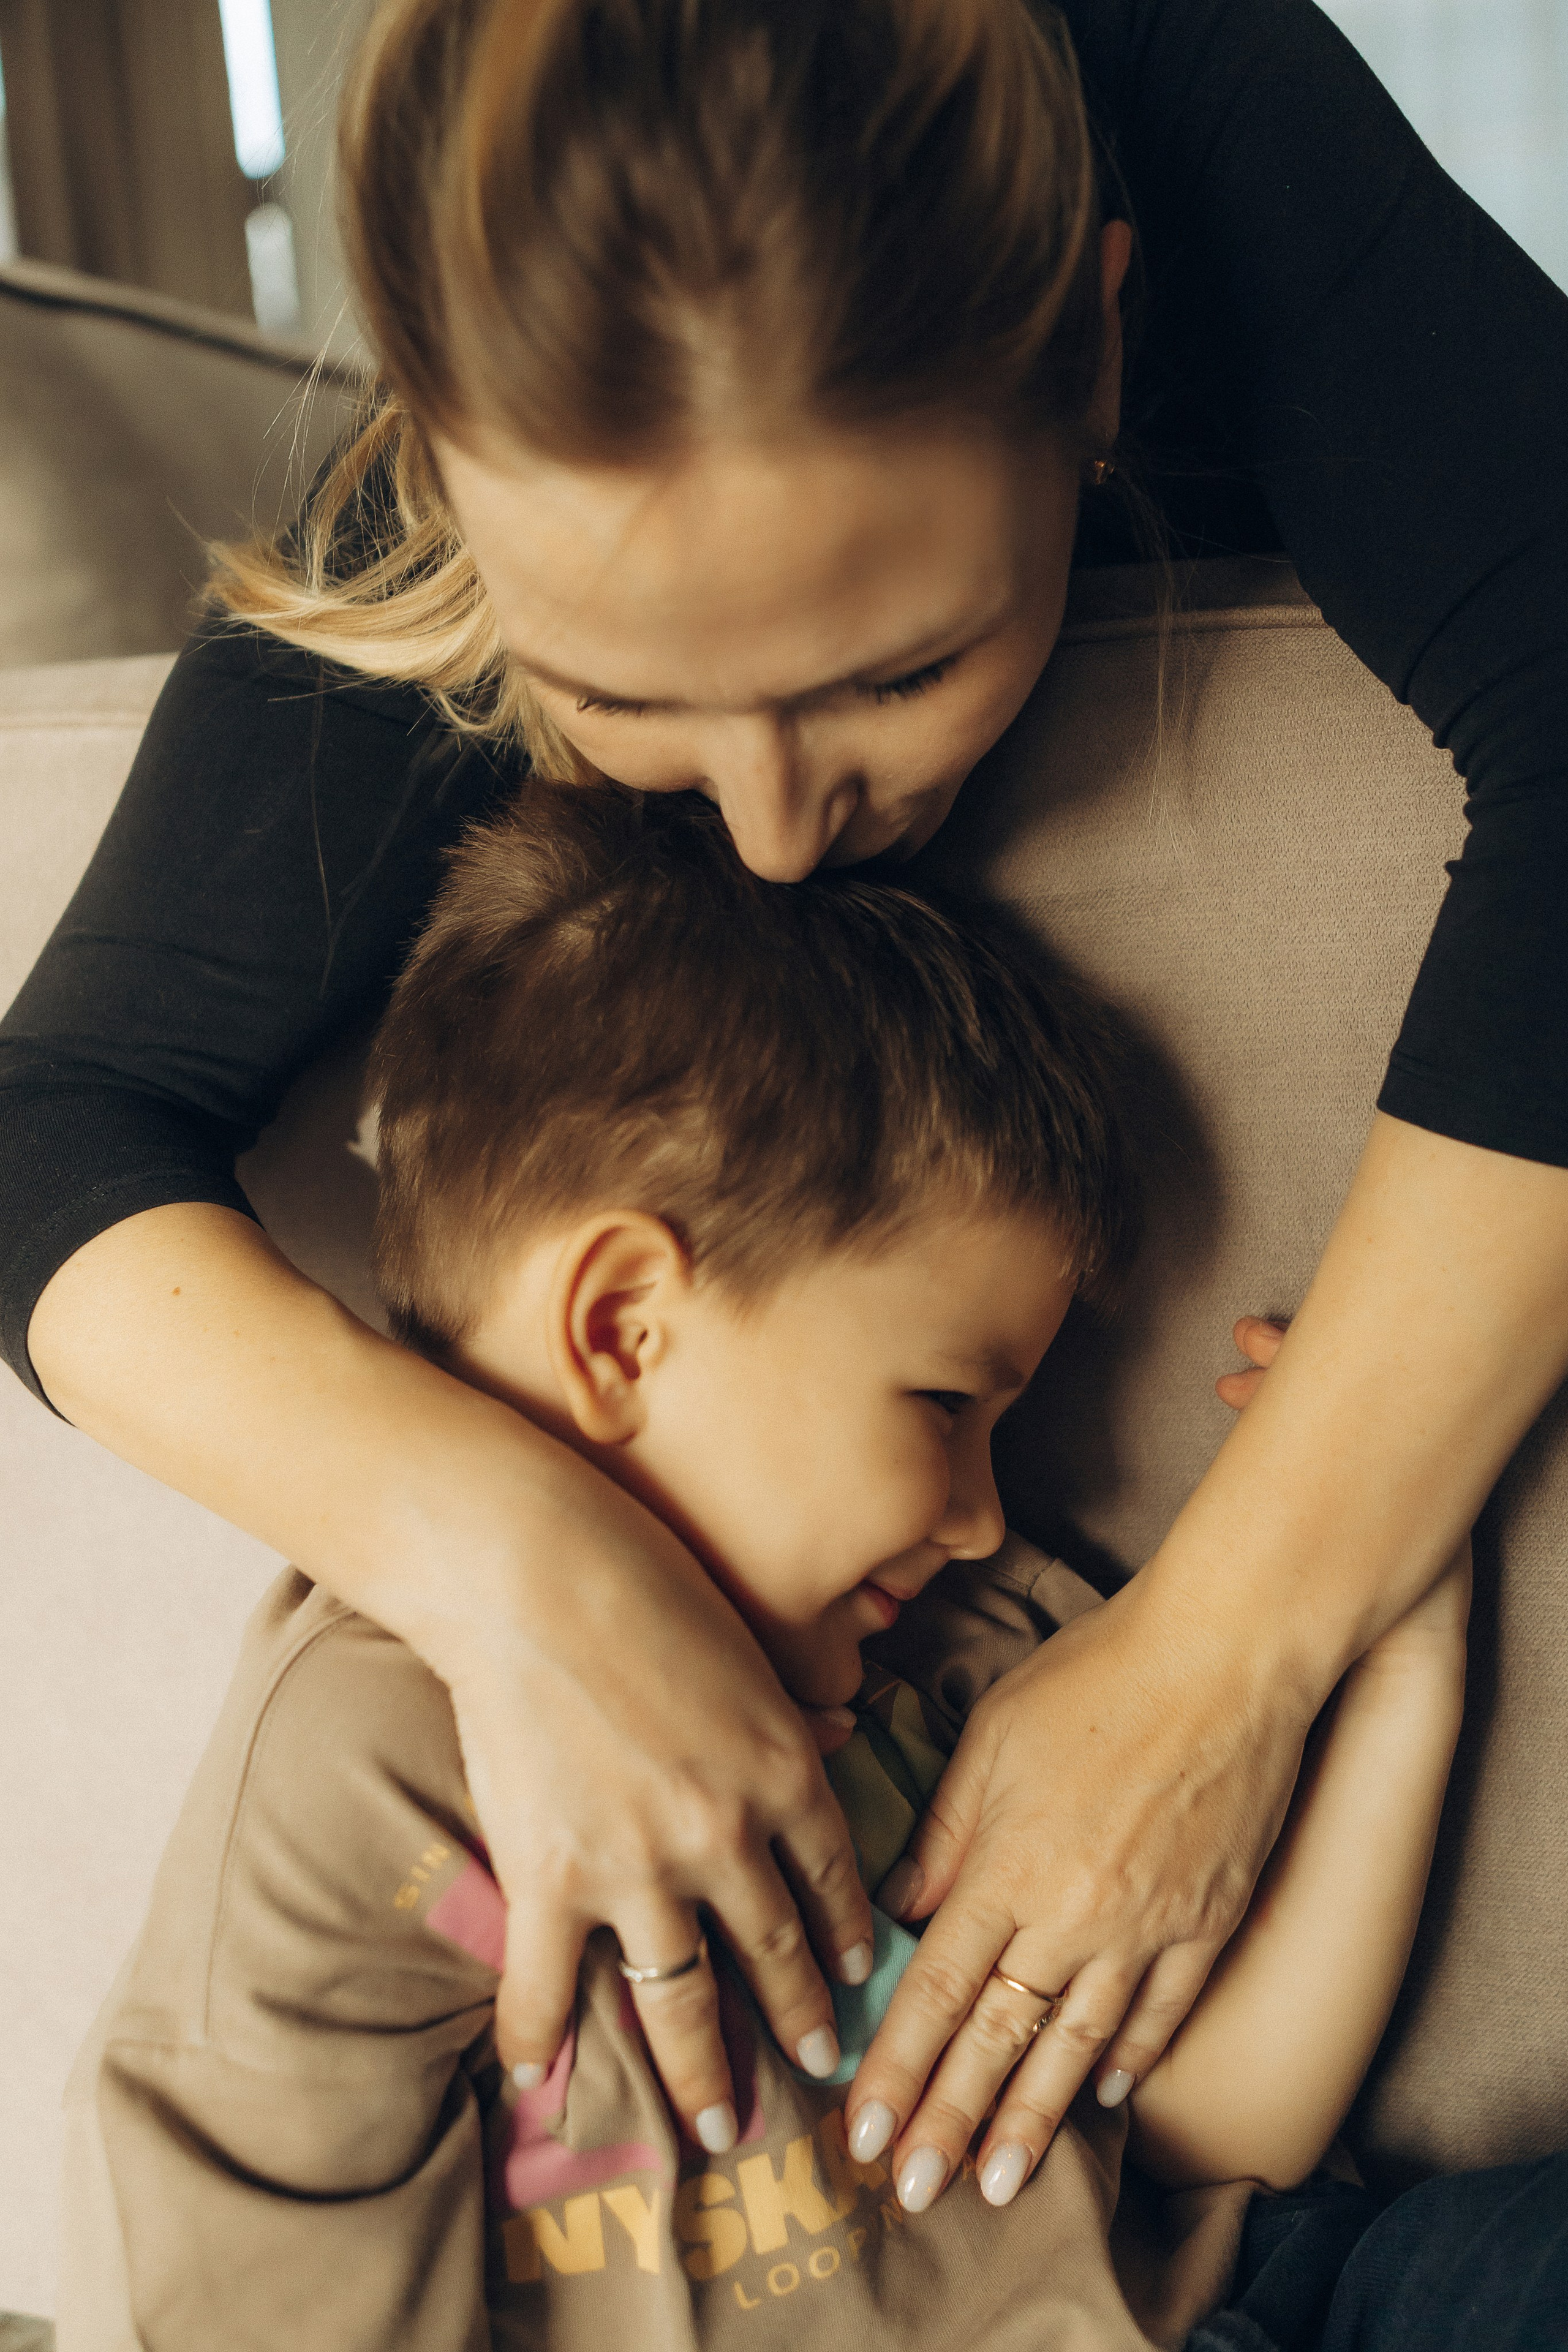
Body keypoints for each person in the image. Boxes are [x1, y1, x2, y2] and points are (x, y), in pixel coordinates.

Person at [3, 0, 1566, 2239]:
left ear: (1106, 340)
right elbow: (47, 1124)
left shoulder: (1192, 97)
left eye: (896, 672)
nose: (769, 832)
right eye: (626, 697)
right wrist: (515, 1562)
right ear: (443, 459)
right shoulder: (502, 363)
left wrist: (1243, 1646)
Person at [58, 785, 1468, 2352]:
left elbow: (1201, 2143)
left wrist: (1393, 1639)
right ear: (621, 1330)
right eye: (942, 1405)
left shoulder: (964, 1649)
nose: (981, 1516)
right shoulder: (370, 1766)